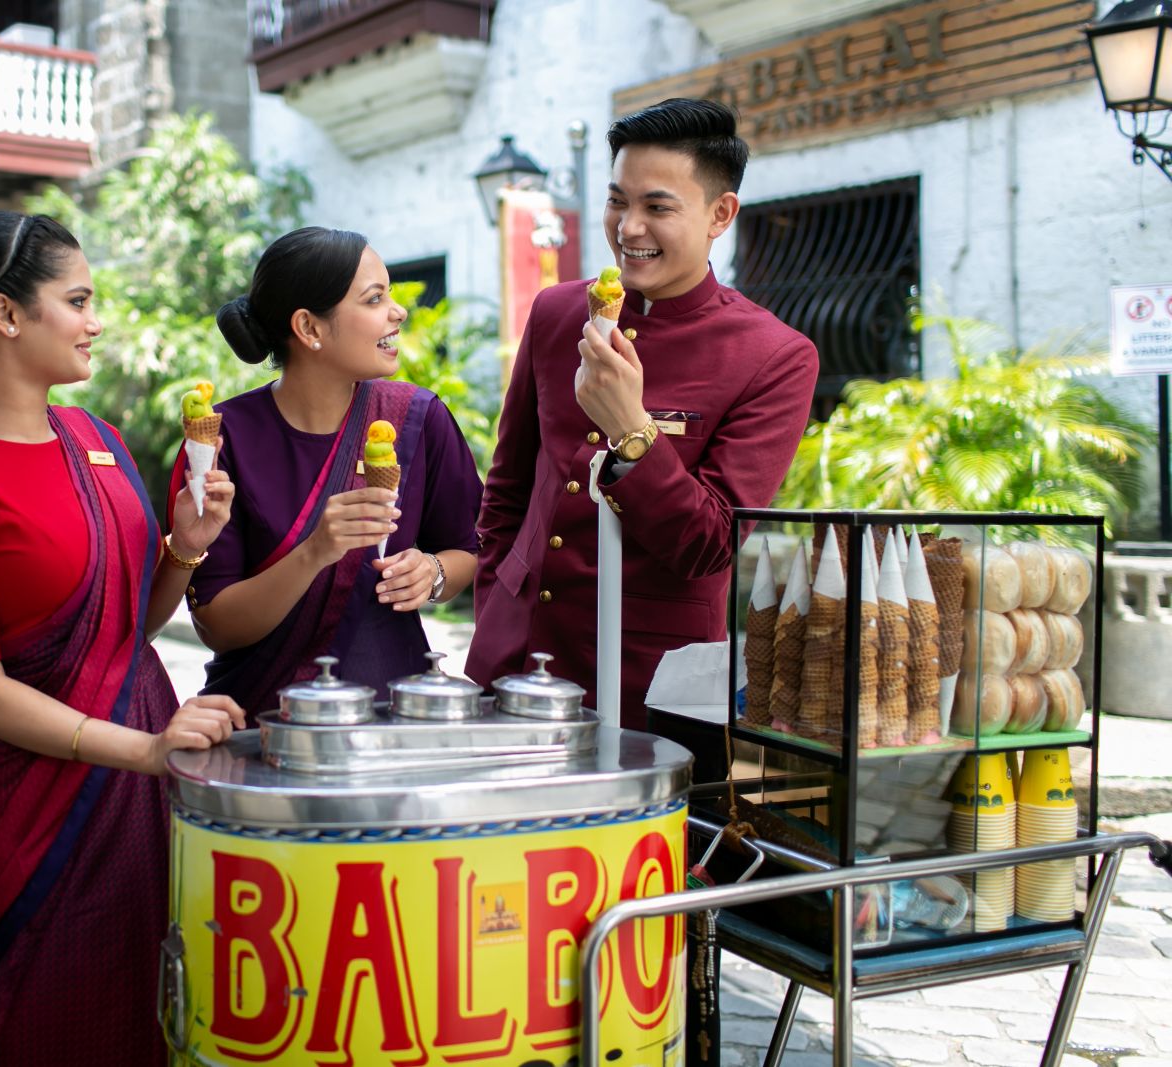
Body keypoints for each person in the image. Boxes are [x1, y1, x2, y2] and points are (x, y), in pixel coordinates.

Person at [0, 210, 243, 1065]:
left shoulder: (94, 439)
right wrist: (144, 749)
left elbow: (122, 624)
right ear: (6, 315)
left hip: (142, 774)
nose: (96, 319)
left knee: (160, 993)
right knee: (61, 1006)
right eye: (77, 300)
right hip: (45, 791)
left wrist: (184, 550)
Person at [465, 98, 820, 728]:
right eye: (616, 201)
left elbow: (711, 546)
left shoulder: (773, 356)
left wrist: (632, 430)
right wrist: (495, 603)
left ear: (720, 214)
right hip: (514, 659)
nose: (628, 227)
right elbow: (507, 492)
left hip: (645, 680)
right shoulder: (554, 314)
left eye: (657, 207)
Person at [177, 226, 483, 708]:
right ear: (310, 329)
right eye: (375, 298)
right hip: (265, 718)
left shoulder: (420, 418)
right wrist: (316, 550)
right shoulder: (223, 440)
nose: (398, 312)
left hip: (395, 708)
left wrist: (433, 571)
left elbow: (468, 549)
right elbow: (217, 625)